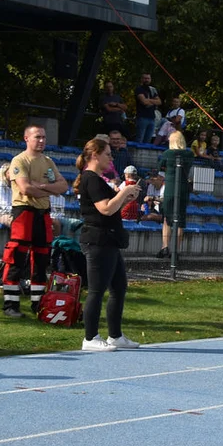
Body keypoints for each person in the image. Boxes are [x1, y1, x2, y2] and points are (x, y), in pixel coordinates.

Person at [74, 138, 143, 352]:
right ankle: (90, 337)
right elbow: (105, 209)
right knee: (96, 289)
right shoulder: (91, 179)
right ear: (95, 155)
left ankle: (115, 335)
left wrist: (127, 197)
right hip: (97, 240)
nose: (111, 159)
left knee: (119, 287)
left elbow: (113, 208)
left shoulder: (98, 180)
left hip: (109, 239)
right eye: (107, 154)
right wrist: (124, 192)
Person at [2, 125, 68, 317]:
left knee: (41, 259)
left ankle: (38, 304)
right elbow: (25, 189)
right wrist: (49, 189)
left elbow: (63, 186)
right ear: (26, 138)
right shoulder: (19, 160)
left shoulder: (48, 161)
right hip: (24, 212)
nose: (41, 141)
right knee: (16, 258)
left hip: (43, 213)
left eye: (44, 137)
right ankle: (10, 305)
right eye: (37, 137)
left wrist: (43, 187)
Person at [156, 130, 194, 258]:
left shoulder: (168, 153)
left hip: (171, 187)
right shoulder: (189, 154)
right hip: (183, 188)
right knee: (180, 220)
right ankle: (176, 251)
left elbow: (160, 166)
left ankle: (165, 246)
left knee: (167, 218)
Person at [133, 73, 161, 144]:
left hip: (152, 118)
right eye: (145, 78)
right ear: (141, 79)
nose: (147, 80)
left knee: (148, 140)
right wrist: (153, 101)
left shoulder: (153, 89)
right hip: (142, 117)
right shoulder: (139, 89)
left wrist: (149, 100)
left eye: (148, 78)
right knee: (140, 138)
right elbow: (144, 102)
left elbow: (159, 102)